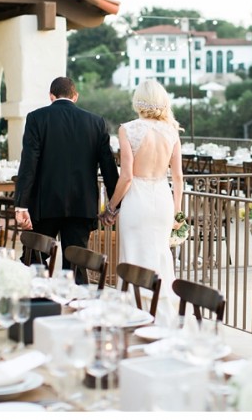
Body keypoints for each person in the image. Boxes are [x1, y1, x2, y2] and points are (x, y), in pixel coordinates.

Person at [13, 77, 118, 281]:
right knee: (76, 265)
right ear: (75, 96)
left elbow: (28, 163)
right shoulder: (96, 122)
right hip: (81, 204)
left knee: (33, 259)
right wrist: (114, 205)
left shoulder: (36, 118)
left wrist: (21, 205)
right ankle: (78, 305)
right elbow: (108, 166)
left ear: (51, 96)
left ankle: (37, 302)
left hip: (45, 204)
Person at [100, 79, 183, 325]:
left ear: (138, 100)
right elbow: (178, 177)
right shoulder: (172, 131)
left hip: (137, 199)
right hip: (163, 199)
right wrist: (178, 211)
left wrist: (111, 207)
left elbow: (126, 177)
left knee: (134, 257)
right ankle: (163, 320)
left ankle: (134, 319)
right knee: (161, 257)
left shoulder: (128, 129)